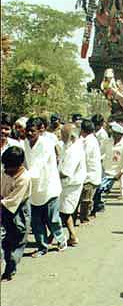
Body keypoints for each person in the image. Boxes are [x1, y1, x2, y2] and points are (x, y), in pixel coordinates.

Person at [24, 117, 66, 257]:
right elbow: (25, 163)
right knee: (36, 222)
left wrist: (24, 178)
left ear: (39, 130)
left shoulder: (46, 144)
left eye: (32, 131)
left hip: (49, 187)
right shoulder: (25, 143)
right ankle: (42, 247)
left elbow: (38, 165)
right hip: (33, 189)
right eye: (27, 131)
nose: (29, 134)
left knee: (52, 219)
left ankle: (61, 240)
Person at [1, 146, 31, 281]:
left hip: (18, 211)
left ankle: (10, 268)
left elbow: (13, 200)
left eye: (9, 167)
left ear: (18, 165)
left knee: (17, 241)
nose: (6, 170)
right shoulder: (6, 172)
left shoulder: (24, 178)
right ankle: (6, 264)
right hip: (4, 206)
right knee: (5, 242)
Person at [58, 124, 86, 246]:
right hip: (66, 184)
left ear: (72, 136)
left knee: (64, 212)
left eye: (63, 135)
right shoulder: (67, 146)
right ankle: (72, 236)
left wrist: (51, 173)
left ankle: (60, 236)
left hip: (71, 184)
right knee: (64, 211)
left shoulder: (74, 150)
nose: (61, 137)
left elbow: (66, 172)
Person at [79, 119, 102, 223]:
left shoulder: (89, 141)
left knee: (86, 199)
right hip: (90, 174)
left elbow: (84, 157)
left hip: (89, 175)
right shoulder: (90, 139)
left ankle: (84, 218)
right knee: (86, 198)